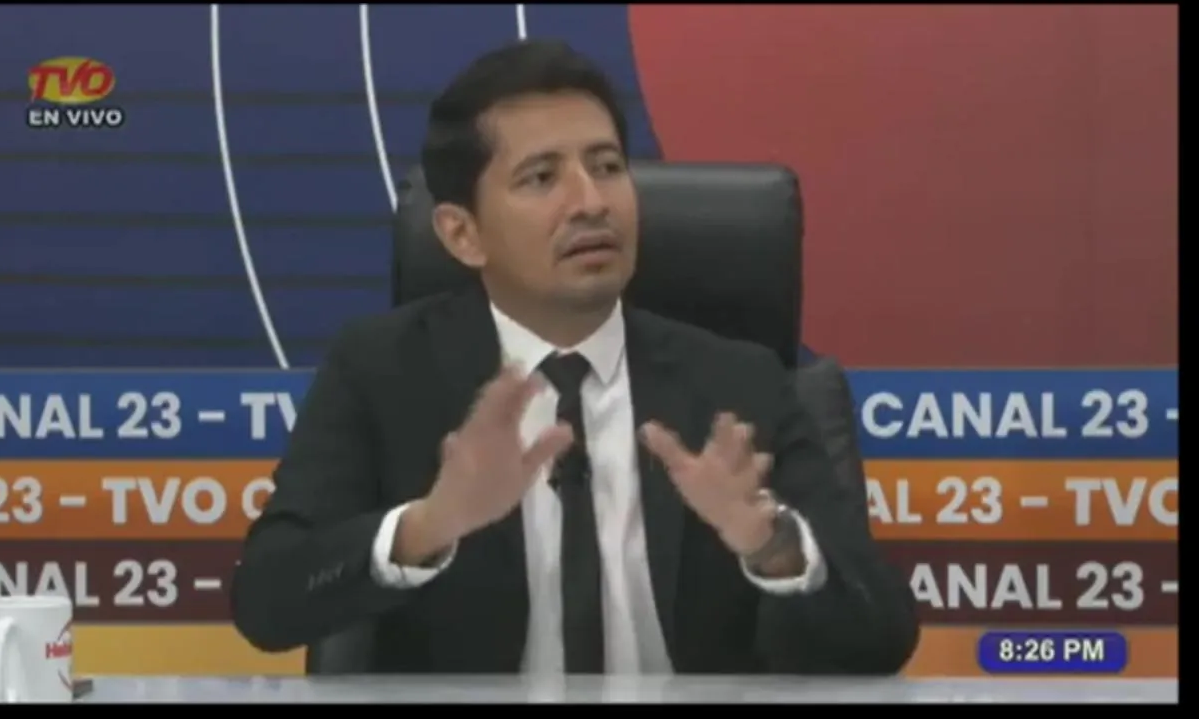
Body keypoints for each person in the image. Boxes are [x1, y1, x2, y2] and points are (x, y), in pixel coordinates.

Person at [231, 39, 919, 675]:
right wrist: (426, 527)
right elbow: (266, 602)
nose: (591, 203)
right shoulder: (381, 371)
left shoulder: (737, 384)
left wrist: (774, 549)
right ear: (463, 234)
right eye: (541, 178)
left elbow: (884, 638)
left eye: (607, 167)